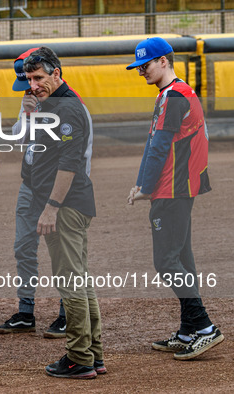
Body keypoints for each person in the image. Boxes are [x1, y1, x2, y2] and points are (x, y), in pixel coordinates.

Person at [126, 37, 223, 360]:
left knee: (166, 261)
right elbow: (155, 142)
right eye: (139, 67)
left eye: (146, 65)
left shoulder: (173, 97)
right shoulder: (175, 92)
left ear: (164, 61)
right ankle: (187, 330)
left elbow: (158, 148)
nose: (142, 71)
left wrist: (146, 188)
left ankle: (205, 327)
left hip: (172, 188)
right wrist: (142, 183)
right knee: (182, 258)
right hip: (178, 187)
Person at [16, 47, 103, 379]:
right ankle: (92, 354)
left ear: (57, 74)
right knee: (80, 281)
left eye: (39, 78)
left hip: (66, 207)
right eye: (29, 79)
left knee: (71, 283)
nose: (34, 85)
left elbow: (69, 164)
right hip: (71, 204)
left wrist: (51, 208)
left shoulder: (66, 109)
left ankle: (79, 357)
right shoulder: (52, 105)